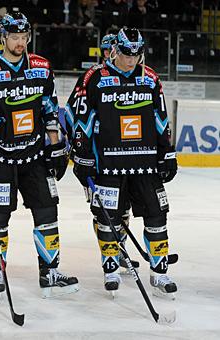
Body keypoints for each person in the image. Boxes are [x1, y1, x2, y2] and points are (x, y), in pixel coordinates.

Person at [0, 12, 79, 297]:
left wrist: (55, 148)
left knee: (47, 212)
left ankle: (49, 272)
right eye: (14, 37)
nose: (20, 43)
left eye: (24, 37)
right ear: (3, 38)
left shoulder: (41, 67)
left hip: (35, 158)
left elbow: (51, 111)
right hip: (1, 159)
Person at [70, 28, 178, 298]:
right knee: (107, 218)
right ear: (116, 49)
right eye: (127, 54)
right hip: (108, 164)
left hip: (145, 163)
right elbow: (82, 120)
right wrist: (82, 156)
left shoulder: (150, 78)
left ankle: (160, 271)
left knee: (157, 214)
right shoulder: (95, 77)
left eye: (137, 54)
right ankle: (110, 269)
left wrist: (167, 153)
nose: (132, 60)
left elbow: (161, 120)